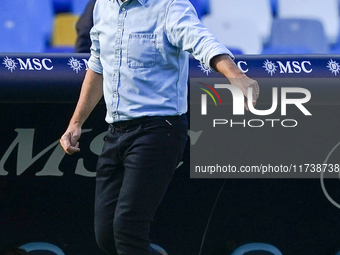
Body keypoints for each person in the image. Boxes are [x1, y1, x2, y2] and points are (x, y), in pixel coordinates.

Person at [60, 0, 260, 254]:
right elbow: (98, 64)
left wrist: (236, 76)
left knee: (126, 231)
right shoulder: (102, 5)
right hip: (115, 133)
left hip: (158, 129)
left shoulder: (170, 5)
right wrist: (75, 122)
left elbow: (202, 42)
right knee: (107, 236)